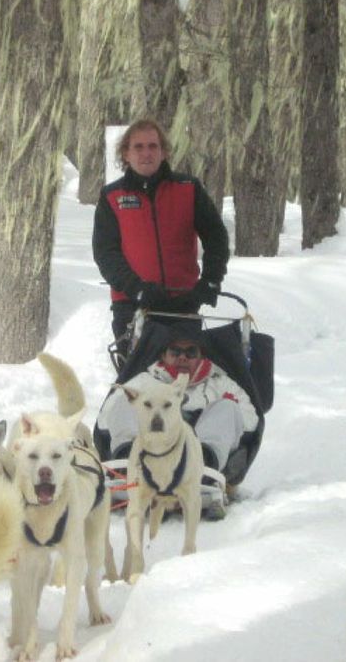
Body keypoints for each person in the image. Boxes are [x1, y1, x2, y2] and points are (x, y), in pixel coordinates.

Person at [92, 118, 229, 355]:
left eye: (153, 146)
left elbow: (216, 237)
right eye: (138, 147)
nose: (146, 153)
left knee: (182, 375)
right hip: (132, 306)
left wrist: (210, 281)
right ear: (126, 153)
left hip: (183, 304)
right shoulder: (112, 196)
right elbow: (106, 254)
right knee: (137, 377)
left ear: (164, 152)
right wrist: (136, 288)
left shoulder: (188, 188)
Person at [95, 322, 259, 520]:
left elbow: (252, 421)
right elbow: (106, 418)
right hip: (146, 454)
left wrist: (225, 408)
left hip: (197, 451)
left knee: (228, 407)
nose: (183, 357)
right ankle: (126, 463)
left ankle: (205, 469)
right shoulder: (145, 380)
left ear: (201, 356)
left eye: (191, 352)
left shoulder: (219, 382)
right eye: (175, 351)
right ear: (163, 355)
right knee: (124, 400)